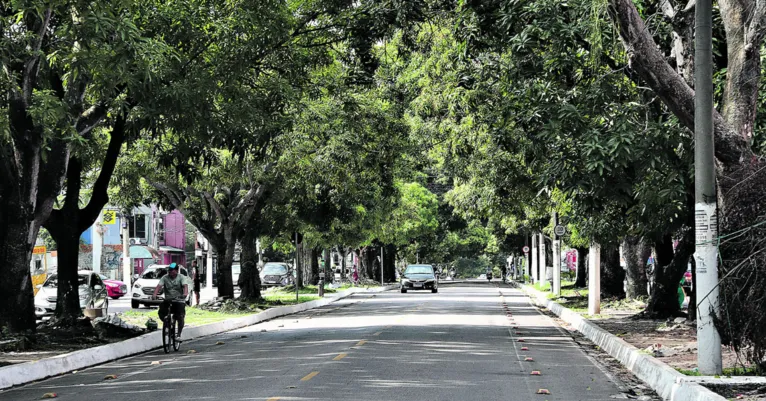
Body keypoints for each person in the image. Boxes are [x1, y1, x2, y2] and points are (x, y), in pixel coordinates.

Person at [152, 263, 188, 341]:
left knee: (180, 316)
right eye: (169, 270)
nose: (170, 272)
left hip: (179, 300)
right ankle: (167, 325)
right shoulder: (165, 278)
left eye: (172, 270)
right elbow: (158, 286)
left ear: (176, 270)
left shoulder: (181, 277)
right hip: (168, 299)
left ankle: (178, 335)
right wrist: (154, 294)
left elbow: (185, 286)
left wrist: (185, 294)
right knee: (161, 312)